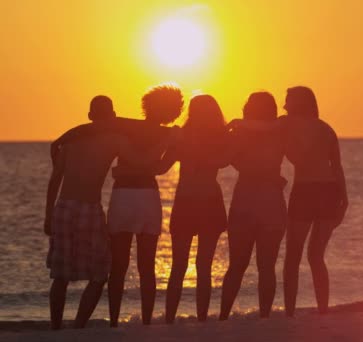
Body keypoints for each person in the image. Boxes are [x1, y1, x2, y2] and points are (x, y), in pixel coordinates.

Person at [45, 96, 163, 330]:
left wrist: (48, 214)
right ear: (112, 116)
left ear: (90, 115)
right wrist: (166, 145)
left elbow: (54, 180)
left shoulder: (71, 141)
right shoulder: (115, 140)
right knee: (99, 275)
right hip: (89, 208)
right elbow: (142, 162)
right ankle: (78, 326)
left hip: (65, 207)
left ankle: (56, 328)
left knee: (61, 276)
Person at [228, 86, 348, 316]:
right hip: (330, 192)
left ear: (299, 103)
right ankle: (323, 311)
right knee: (316, 256)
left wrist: (237, 123)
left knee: (293, 257)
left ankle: (291, 313)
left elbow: (263, 126)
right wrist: (345, 199)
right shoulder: (326, 129)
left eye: (288, 101)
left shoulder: (287, 122)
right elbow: (337, 167)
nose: (283, 106)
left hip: (305, 191)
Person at [106, 84, 183, 326]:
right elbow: (159, 168)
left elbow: (91, 127)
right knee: (145, 266)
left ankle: (114, 322)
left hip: (124, 196)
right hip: (146, 197)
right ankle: (146, 322)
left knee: (119, 265)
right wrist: (142, 164)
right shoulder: (170, 134)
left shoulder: (126, 125)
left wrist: (125, 168)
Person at [160, 95, 231, 323]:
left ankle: (172, 318)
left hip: (191, 202)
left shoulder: (184, 137)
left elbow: (162, 166)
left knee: (180, 266)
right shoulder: (219, 137)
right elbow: (224, 160)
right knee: (202, 266)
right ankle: (199, 318)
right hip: (205, 202)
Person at [218, 92, 287, 320]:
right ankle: (265, 317)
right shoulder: (280, 131)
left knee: (237, 265)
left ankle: (223, 316)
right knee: (266, 267)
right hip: (271, 200)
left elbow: (223, 160)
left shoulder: (240, 132)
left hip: (246, 199)